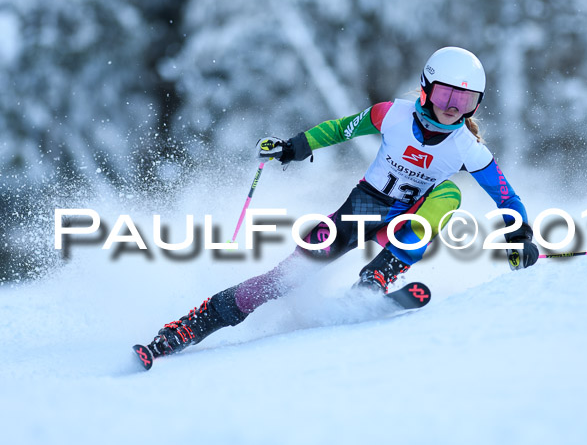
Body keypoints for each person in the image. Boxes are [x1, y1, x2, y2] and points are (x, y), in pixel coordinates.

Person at [139, 47, 539, 360]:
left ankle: (375, 280)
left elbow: (505, 195)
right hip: (363, 207)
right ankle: (189, 327)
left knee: (449, 193)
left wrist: (520, 234)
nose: (453, 105)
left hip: (410, 216)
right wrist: (294, 147)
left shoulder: (468, 149)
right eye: (447, 92)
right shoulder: (392, 115)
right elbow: (338, 129)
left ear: (476, 105)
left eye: (465, 99)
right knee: (285, 278)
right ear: (427, 87)